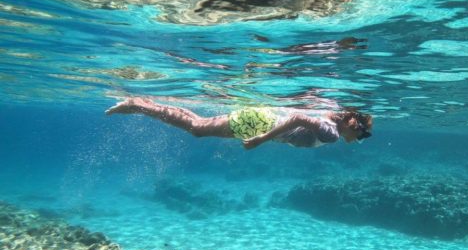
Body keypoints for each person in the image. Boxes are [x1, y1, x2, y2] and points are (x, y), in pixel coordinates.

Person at [105, 97, 372, 149]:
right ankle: (138, 105)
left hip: (262, 119)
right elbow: (298, 117)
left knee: (199, 125)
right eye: (362, 133)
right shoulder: (331, 134)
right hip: (261, 124)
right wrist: (261, 139)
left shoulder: (329, 122)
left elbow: (299, 121)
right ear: (352, 122)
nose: (359, 138)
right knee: (198, 129)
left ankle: (144, 104)